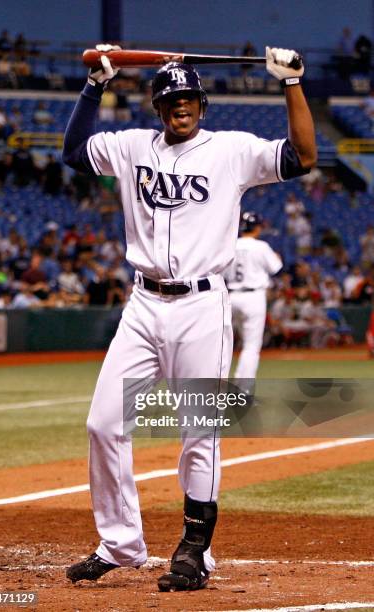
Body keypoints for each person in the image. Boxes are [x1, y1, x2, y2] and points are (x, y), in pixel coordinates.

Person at [62, 43, 316, 591]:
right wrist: (94, 86)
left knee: (199, 431)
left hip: (203, 305)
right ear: (158, 106)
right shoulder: (132, 147)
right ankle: (120, 543)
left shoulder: (230, 151)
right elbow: (74, 152)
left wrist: (292, 84)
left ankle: (195, 553)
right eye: (171, 98)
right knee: (104, 423)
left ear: (202, 104)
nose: (180, 105)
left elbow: (302, 157)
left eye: (188, 98)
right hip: (143, 304)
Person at [225, 211, 282, 390]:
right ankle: (243, 390)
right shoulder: (261, 246)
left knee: (222, 344)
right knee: (251, 346)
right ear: (257, 227)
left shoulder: (229, 245)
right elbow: (276, 268)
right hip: (253, 297)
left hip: (231, 296)